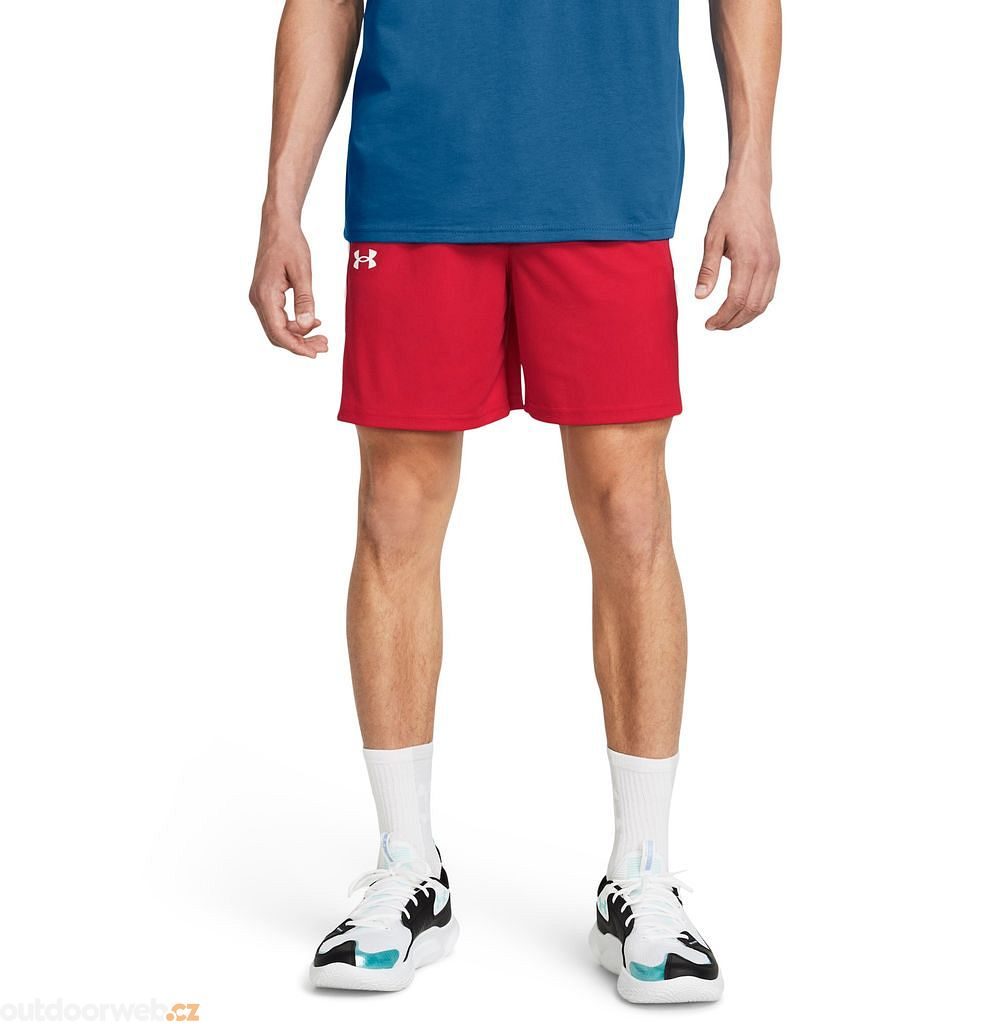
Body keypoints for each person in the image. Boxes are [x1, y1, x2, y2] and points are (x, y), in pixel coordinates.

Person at [250, 0, 780, 1004]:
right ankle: (407, 867)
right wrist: (281, 201)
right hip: (416, 178)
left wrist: (749, 175)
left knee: (631, 517)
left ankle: (643, 873)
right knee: (394, 515)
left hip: (606, 178)